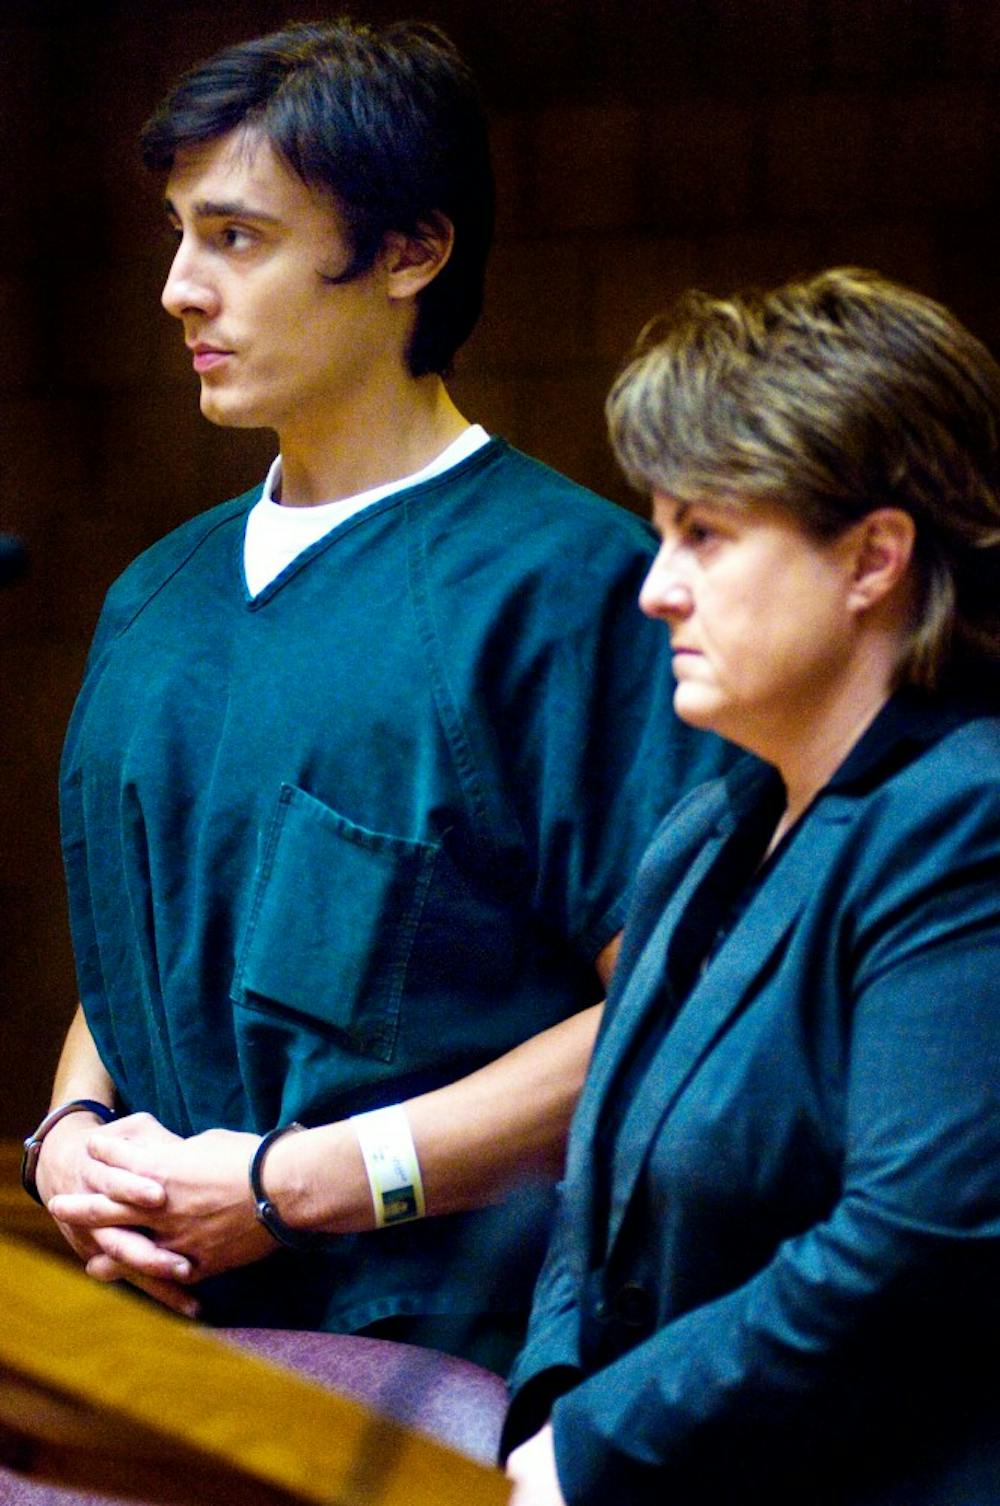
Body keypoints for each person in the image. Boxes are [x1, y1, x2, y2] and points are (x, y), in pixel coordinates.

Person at [23, 18, 729, 1372]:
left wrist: (306, 1184)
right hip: (161, 1359)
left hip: (459, 1352)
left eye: (236, 237)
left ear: (411, 250)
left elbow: (680, 1008)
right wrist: (73, 1137)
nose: (178, 286)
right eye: (178, 232)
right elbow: (145, 948)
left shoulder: (573, 588)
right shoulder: (154, 601)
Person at [502, 267, 1000, 1500]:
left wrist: (593, 1444)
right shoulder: (706, 827)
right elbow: (597, 1193)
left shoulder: (968, 821)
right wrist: (555, 1412)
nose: (655, 584)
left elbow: (915, 1242)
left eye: (705, 534)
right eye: (661, 529)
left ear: (872, 557)